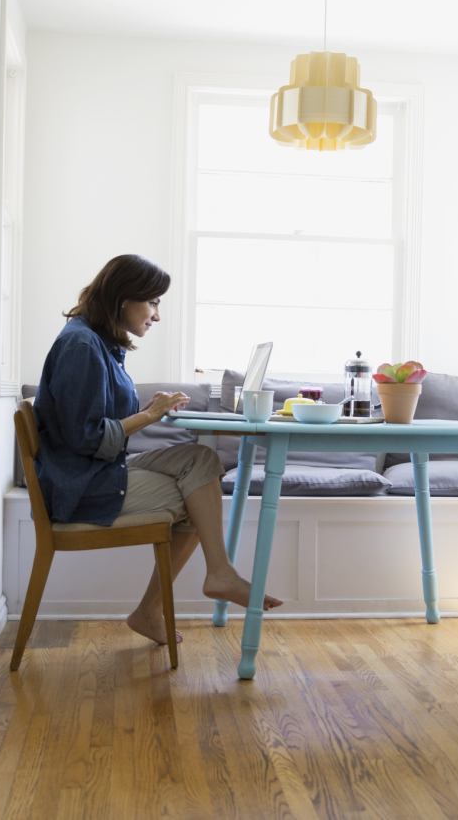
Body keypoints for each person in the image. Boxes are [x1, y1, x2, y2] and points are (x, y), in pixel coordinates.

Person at [33, 254, 281, 647]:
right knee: (198, 488)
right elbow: (86, 438)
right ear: (122, 299)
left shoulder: (95, 341)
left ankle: (190, 588)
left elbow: (92, 424)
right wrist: (151, 415)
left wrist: (150, 410)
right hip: (80, 488)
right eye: (153, 302)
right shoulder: (82, 346)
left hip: (93, 473)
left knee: (202, 460)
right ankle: (207, 580)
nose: (157, 315)